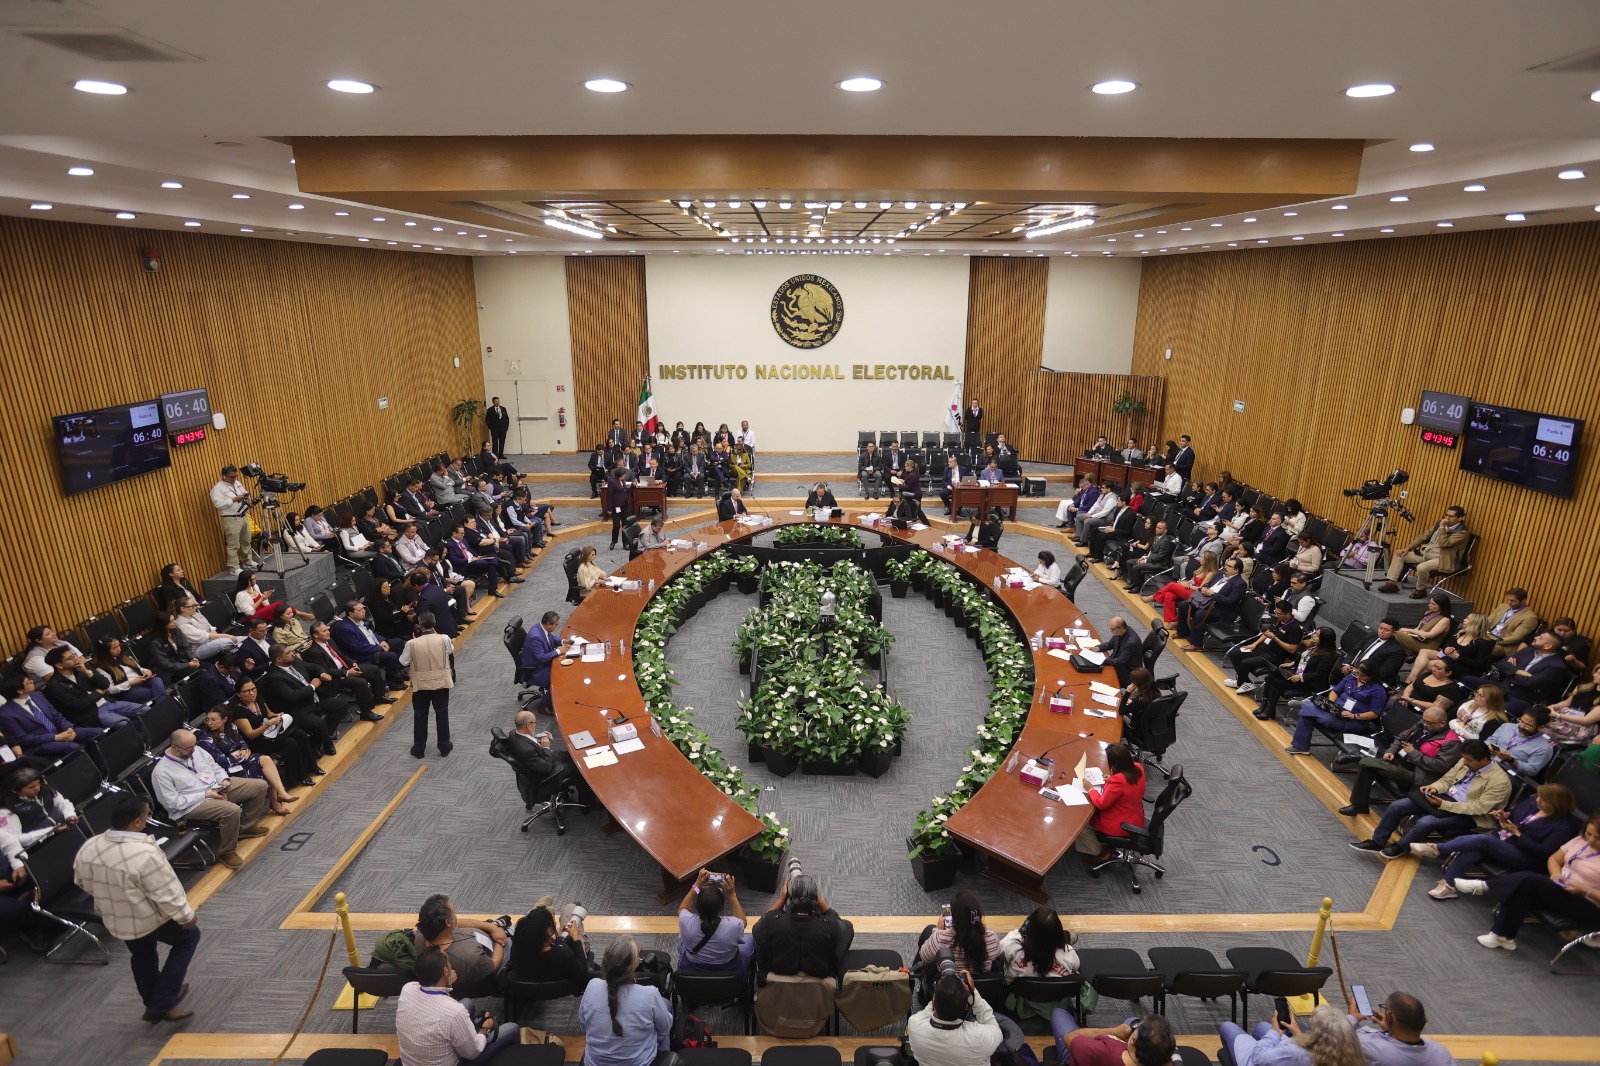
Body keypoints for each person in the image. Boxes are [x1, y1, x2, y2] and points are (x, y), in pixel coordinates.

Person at [72, 795, 200, 1023]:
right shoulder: (144, 853)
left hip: (116, 917)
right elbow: (165, 891)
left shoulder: (90, 845)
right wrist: (185, 916)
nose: (148, 819)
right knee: (188, 938)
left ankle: (152, 1001)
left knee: (142, 954)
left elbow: (80, 881)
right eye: (147, 816)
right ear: (137, 822)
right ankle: (163, 1001)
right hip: (148, 918)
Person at [1416, 782, 1580, 899]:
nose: (1538, 800)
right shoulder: (1533, 803)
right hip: (1505, 841)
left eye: (1543, 800)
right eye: (1538, 796)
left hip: (1525, 857)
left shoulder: (1563, 827)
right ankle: (1449, 885)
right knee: (1476, 849)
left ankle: (1438, 848)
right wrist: (1505, 816)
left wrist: (1517, 833)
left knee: (1483, 840)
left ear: (1555, 804)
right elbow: (1515, 814)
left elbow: (1542, 852)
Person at [1351, 740, 1511, 859]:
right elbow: (1447, 780)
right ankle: (1377, 842)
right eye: (1464, 759)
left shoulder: (1500, 781)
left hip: (1469, 815)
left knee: (1426, 822)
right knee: (1397, 806)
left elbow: (1479, 808)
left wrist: (1444, 804)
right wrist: (1434, 788)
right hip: (1444, 798)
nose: (1465, 763)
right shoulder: (1465, 761)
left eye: (1469, 761)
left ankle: (1400, 847)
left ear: (1484, 760)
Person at [1472, 811, 1600, 952]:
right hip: (1561, 889)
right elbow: (1554, 859)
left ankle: (1485, 886)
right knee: (1525, 890)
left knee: (1531, 880)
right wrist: (1556, 875)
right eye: (1588, 833)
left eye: (1598, 838)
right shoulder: (1580, 840)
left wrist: (1584, 889)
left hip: (1589, 905)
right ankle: (1502, 937)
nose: (1590, 840)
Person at [152, 728, 270, 868]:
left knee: (260, 786)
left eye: (194, 746)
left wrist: (224, 780)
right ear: (174, 747)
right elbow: (172, 803)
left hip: (216, 787)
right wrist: (205, 795)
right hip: (192, 805)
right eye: (189, 748)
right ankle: (227, 852)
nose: (193, 751)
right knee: (231, 810)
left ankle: (244, 828)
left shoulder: (197, 750)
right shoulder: (161, 772)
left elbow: (215, 767)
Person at [396, 946, 520, 1065]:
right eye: (448, 962)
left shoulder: (408, 989)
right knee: (512, 1028)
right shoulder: (455, 1011)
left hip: (411, 1062)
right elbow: (473, 1053)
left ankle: (467, 1034)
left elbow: (438, 1004)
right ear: (445, 971)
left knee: (467, 1003)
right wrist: (485, 1029)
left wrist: (447, 985)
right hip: (459, 1060)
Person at [1338, 705, 1460, 817]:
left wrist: (1414, 753)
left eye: (1429, 722)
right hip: (1399, 761)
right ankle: (1359, 805)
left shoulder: (1451, 742)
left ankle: (1360, 757)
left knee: (1368, 764)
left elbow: (1440, 766)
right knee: (1368, 766)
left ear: (1442, 723)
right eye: (1424, 720)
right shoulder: (1420, 725)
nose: (1424, 724)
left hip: (1419, 776)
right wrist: (1391, 751)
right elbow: (1401, 738)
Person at [579, 938, 673, 1066]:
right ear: (634, 964)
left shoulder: (592, 986)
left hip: (595, 1063)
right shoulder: (650, 994)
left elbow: (584, 1026)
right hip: (642, 1063)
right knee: (666, 1005)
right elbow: (663, 1030)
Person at [194, 707, 299, 813]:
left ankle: (280, 795)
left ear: (224, 719)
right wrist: (243, 758)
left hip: (243, 760)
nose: (209, 723)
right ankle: (276, 802)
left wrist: (245, 749)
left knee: (266, 760)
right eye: (208, 720)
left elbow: (242, 742)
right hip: (229, 769)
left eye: (213, 719)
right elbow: (220, 762)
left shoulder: (231, 727)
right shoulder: (205, 738)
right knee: (266, 767)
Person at [751, 869, 844, 981]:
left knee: (760, 941)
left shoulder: (771, 922)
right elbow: (842, 928)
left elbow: (757, 929)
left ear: (788, 899)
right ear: (815, 899)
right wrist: (820, 899)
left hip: (778, 979)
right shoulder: (830, 926)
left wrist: (780, 900)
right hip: (818, 983)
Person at [1284, 662, 1386, 756]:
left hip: (1353, 720)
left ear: (1371, 676)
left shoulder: (1378, 691)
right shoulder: (1352, 677)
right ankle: (1301, 746)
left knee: (1320, 717)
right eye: (1357, 672)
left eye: (1362, 675)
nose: (1358, 676)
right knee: (1307, 714)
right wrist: (1331, 703)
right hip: (1336, 709)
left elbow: (1375, 713)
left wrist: (1354, 715)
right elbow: (1335, 691)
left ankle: (1306, 706)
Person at [906, 970, 1005, 1066]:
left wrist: (943, 989)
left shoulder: (914, 1024)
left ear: (934, 1000)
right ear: (966, 1006)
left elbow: (928, 1010)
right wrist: (972, 992)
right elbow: (995, 1029)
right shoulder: (978, 1038)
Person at [1218, 1004, 1363, 1066]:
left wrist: (1274, 1032)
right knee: (1263, 1027)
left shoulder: (1296, 1053)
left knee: (1227, 1027)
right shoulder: (1348, 1054)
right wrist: (1298, 1034)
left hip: (1261, 1059)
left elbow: (1257, 1057)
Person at [42, 645, 150, 729]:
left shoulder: (81, 669)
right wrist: (98, 693)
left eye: (74, 655)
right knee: (125, 723)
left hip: (109, 702)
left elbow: (105, 684)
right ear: (59, 665)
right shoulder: (54, 686)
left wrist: (86, 672)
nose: (75, 659)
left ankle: (140, 736)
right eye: (70, 658)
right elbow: (78, 705)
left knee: (146, 710)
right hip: (93, 713)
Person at [0, 765, 79, 872]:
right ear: (15, 790)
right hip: (41, 844)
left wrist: (69, 815)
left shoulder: (46, 789)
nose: (37, 788)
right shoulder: (7, 810)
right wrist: (51, 831)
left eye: (38, 784)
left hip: (63, 828)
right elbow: (18, 840)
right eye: (31, 787)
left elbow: (63, 804)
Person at [1075, 743, 1146, 860]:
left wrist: (1090, 789)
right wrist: (1111, 780)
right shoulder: (1138, 768)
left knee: (1081, 823)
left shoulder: (1118, 781)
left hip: (1119, 825)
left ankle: (1095, 851)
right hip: (1135, 819)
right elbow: (1129, 788)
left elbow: (1101, 804)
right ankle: (1105, 846)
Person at [1380, 505, 1469, 596]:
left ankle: (1421, 590)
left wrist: (1442, 528)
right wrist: (1408, 548)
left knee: (1422, 567)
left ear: (1460, 518)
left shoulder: (1462, 533)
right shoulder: (1439, 524)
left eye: (1451, 516)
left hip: (1442, 559)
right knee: (1400, 554)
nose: (1447, 518)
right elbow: (1423, 536)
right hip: (1426, 553)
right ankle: (1392, 584)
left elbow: (1444, 543)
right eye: (1446, 515)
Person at [1255, 626, 1338, 722]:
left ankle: (1270, 710)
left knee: (1277, 682)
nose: (1314, 635)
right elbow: (1304, 658)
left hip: (1309, 682)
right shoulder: (1314, 645)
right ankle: (1264, 705)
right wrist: (1293, 663)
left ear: (1324, 640)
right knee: (1271, 676)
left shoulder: (1329, 655)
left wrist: (1301, 677)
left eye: (1317, 635)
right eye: (1315, 633)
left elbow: (1320, 674)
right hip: (1298, 673)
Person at [678, 868, 752, 973]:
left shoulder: (685, 921)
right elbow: (742, 921)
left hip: (693, 971)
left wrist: (696, 886)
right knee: (750, 940)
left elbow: (682, 908)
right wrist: (732, 895)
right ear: (721, 908)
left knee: (681, 945)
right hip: (728, 973)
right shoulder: (733, 926)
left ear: (697, 907)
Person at [918, 890, 1002, 983]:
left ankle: (915, 975)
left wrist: (938, 930)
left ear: (954, 918)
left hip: (950, 988)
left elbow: (924, 957)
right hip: (982, 989)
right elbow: (997, 954)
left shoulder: (940, 938)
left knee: (929, 929)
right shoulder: (992, 937)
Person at [403, 612, 455, 759]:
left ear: (419, 626)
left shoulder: (411, 643)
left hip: (421, 684)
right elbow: (450, 650)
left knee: (420, 715)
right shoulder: (444, 638)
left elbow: (403, 661)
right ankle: (444, 746)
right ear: (434, 624)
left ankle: (419, 748)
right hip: (441, 682)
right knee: (442, 713)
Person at [509, 900, 592, 991]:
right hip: (560, 982)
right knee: (571, 914)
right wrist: (576, 939)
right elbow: (582, 976)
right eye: (553, 921)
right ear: (549, 931)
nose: (555, 923)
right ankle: (572, 909)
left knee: (568, 914)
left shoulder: (516, 949)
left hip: (531, 981)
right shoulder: (563, 954)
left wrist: (558, 938)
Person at [1353, 992, 1454, 1066]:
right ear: (1424, 1021)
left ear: (1389, 1017)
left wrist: (1352, 1018)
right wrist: (1391, 1029)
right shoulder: (1441, 1052)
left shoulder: (1368, 1046)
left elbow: (1340, 1037)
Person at [1225, 602, 1303, 695]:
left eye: (1279, 614)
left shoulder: (1295, 628)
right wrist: (1255, 644)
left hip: (1275, 656)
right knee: (1234, 653)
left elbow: (1292, 649)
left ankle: (1241, 682)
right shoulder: (1278, 619)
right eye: (1276, 612)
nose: (1276, 615)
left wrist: (1274, 638)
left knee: (1245, 662)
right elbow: (1267, 632)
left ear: (1288, 614)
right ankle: (1244, 682)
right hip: (1264, 648)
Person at [1051, 1012, 1175, 1066]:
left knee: (1058, 1013)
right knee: (1132, 1021)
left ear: (1133, 1041)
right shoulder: (1163, 1060)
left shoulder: (1099, 1051)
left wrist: (1113, 1031)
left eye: (1136, 1030)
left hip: (1080, 1055)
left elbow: (1069, 1037)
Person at [1176, 557, 1247, 651]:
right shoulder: (1220, 574)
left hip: (1221, 609)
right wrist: (1205, 589)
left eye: (1229, 566)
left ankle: (1196, 644)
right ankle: (1182, 632)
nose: (1225, 567)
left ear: (1236, 570)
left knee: (1200, 614)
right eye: (1226, 564)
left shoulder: (1240, 583)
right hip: (1206, 601)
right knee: (1184, 605)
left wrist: (1213, 594)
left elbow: (1230, 601)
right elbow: (1208, 585)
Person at [1484, 706, 1556, 777]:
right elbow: (1489, 740)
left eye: (1528, 726)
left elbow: (1531, 770)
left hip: (1506, 772)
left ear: (1541, 727)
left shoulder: (1544, 748)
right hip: (1487, 760)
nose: (1521, 726)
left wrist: (1511, 760)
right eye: (1521, 721)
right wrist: (1488, 746)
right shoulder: (1507, 726)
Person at [210, 464, 254, 575]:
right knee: (233, 544)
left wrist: (246, 496)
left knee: (246, 540)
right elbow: (218, 504)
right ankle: (234, 568)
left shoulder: (238, 483)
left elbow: (244, 492)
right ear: (224, 476)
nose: (235, 479)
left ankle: (248, 560)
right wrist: (234, 499)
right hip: (231, 519)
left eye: (236, 476)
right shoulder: (217, 489)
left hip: (243, 515)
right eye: (232, 477)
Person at [1545, 663, 1600, 744]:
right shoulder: (1584, 688)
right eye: (1596, 672)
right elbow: (1567, 703)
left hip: (1581, 728)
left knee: (1548, 731)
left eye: (1599, 673)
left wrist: (1558, 715)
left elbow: (1585, 721)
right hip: (1565, 719)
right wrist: (1552, 707)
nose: (1594, 675)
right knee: (1539, 722)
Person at [173, 599, 241, 661]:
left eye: (195, 605)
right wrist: (226, 636)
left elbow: (210, 628)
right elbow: (201, 637)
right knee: (227, 641)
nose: (195, 607)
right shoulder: (181, 623)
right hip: (199, 648)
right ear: (183, 609)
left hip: (211, 640)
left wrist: (218, 637)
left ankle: (234, 648)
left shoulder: (196, 614)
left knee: (245, 638)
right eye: (192, 606)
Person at [1120, 519, 1176, 593]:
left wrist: (1145, 561)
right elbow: (1151, 551)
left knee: (1136, 566)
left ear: (1165, 531)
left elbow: (1160, 557)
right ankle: (1133, 582)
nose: (1156, 529)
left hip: (1159, 564)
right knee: (1129, 562)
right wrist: (1143, 557)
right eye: (1156, 527)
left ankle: (1138, 586)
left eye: (1159, 528)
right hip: (1151, 559)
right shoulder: (1156, 537)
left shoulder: (1165, 541)